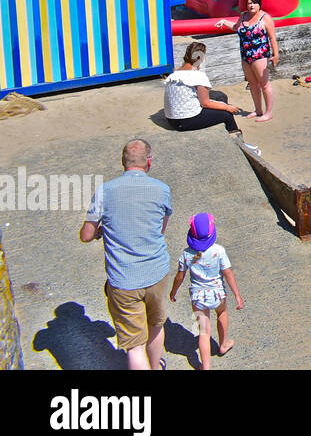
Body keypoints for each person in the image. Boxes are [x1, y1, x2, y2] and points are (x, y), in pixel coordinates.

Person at [80, 140, 173, 370]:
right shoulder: (162, 189)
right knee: (156, 326)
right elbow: (160, 229)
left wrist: (100, 230)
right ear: (148, 162)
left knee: (134, 345)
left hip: (123, 279)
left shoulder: (105, 191)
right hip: (157, 273)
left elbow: (86, 235)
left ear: (123, 162)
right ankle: (157, 365)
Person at [169, 213, 243, 370]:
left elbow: (179, 277)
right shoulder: (219, 251)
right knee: (222, 314)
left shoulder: (186, 254)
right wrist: (237, 294)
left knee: (203, 331)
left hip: (198, 297)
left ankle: (206, 366)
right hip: (218, 294)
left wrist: (173, 292)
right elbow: (228, 272)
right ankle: (223, 344)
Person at [216, 0, 278, 123]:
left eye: (254, 3)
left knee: (264, 84)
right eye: (249, 3)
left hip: (260, 55)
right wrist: (224, 22)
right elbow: (235, 27)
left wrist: (275, 55)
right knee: (253, 84)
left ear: (259, 4)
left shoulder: (265, 18)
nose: (251, 5)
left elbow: (272, 38)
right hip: (245, 55)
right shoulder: (243, 16)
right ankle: (258, 110)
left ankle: (268, 112)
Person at [164, 43, 245, 137]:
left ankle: (218, 124)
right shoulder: (198, 76)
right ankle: (236, 138)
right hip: (184, 121)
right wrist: (227, 107)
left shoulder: (176, 73)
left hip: (171, 118)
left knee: (220, 96)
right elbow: (205, 103)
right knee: (226, 115)